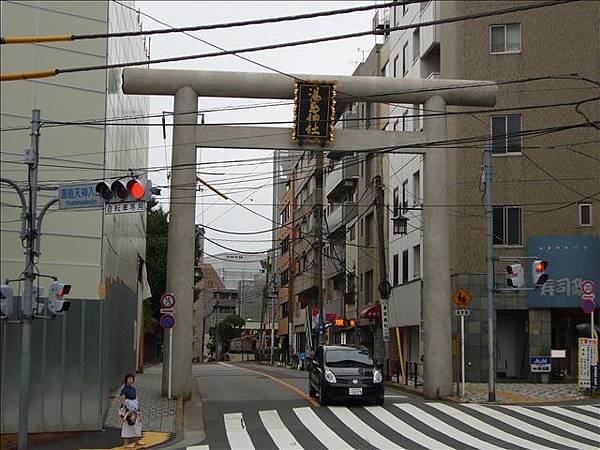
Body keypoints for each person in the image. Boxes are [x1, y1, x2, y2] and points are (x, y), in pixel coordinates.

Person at [120, 374, 143, 448]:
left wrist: (138, 410)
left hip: (135, 408)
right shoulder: (124, 390)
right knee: (127, 425)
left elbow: (136, 399)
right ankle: (125, 443)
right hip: (128, 409)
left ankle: (137, 441)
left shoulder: (133, 389)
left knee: (137, 424)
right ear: (126, 380)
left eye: (132, 379)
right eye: (129, 378)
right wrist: (126, 410)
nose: (131, 380)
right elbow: (122, 401)